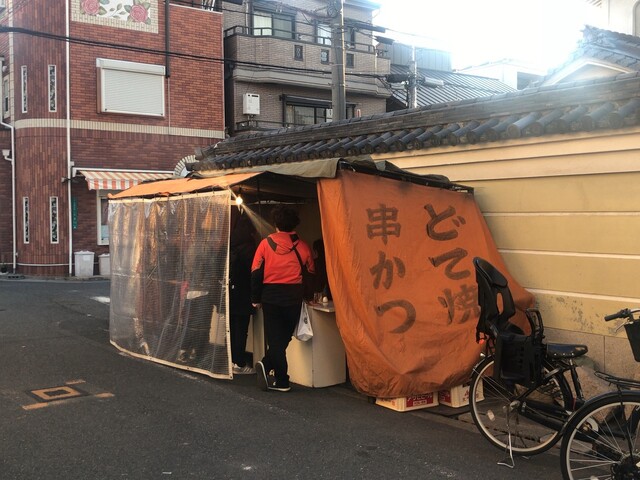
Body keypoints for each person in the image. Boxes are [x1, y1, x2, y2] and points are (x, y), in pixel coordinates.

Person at [251, 206, 315, 392]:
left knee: (276, 339)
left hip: (270, 296)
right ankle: (279, 378)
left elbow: (255, 272)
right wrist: (309, 296)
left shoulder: (264, 245)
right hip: (293, 297)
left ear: (275, 224)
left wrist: (255, 298)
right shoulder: (303, 247)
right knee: (284, 338)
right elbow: (310, 274)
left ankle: (273, 371)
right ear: (295, 224)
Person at [229, 213, 257, 374]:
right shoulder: (249, 249)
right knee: (241, 329)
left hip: (231, 293)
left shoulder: (231, 245)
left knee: (232, 328)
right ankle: (239, 362)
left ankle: (231, 360)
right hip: (245, 293)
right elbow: (254, 272)